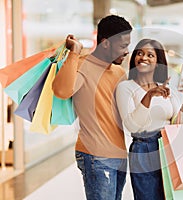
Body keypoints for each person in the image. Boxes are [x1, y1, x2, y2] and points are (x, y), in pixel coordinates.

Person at [52, 15, 132, 200]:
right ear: (105, 43)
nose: (127, 51)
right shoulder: (82, 65)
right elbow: (61, 90)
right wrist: (75, 53)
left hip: (119, 155)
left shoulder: (119, 72)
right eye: (122, 46)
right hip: (96, 156)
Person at [116, 39, 183, 200]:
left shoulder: (165, 88)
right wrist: (149, 95)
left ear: (158, 62)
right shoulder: (126, 87)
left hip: (168, 146)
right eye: (140, 53)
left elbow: (180, 124)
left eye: (150, 55)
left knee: (173, 196)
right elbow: (132, 126)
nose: (143, 57)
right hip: (143, 149)